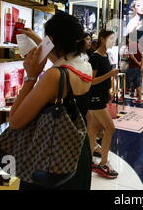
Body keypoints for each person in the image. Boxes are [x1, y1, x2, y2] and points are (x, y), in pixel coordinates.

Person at [11, 13, 93, 190]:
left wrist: (31, 76)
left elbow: (15, 121)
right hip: (78, 152)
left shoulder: (53, 76)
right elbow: (61, 61)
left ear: (53, 40)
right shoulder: (85, 67)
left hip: (51, 156)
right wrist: (36, 37)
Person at [87, 30, 120, 179]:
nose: (113, 41)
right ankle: (103, 163)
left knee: (93, 130)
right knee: (110, 128)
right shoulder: (94, 58)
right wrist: (109, 75)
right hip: (94, 98)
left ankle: (90, 160)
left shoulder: (105, 55)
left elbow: (103, 78)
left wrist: (108, 90)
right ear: (102, 39)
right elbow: (91, 81)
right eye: (111, 38)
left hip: (101, 96)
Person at [126, 40, 143, 104]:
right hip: (138, 68)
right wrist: (142, 65)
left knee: (126, 82)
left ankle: (121, 97)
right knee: (137, 83)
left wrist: (138, 63)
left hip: (132, 67)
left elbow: (132, 56)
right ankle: (140, 99)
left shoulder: (130, 45)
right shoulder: (139, 45)